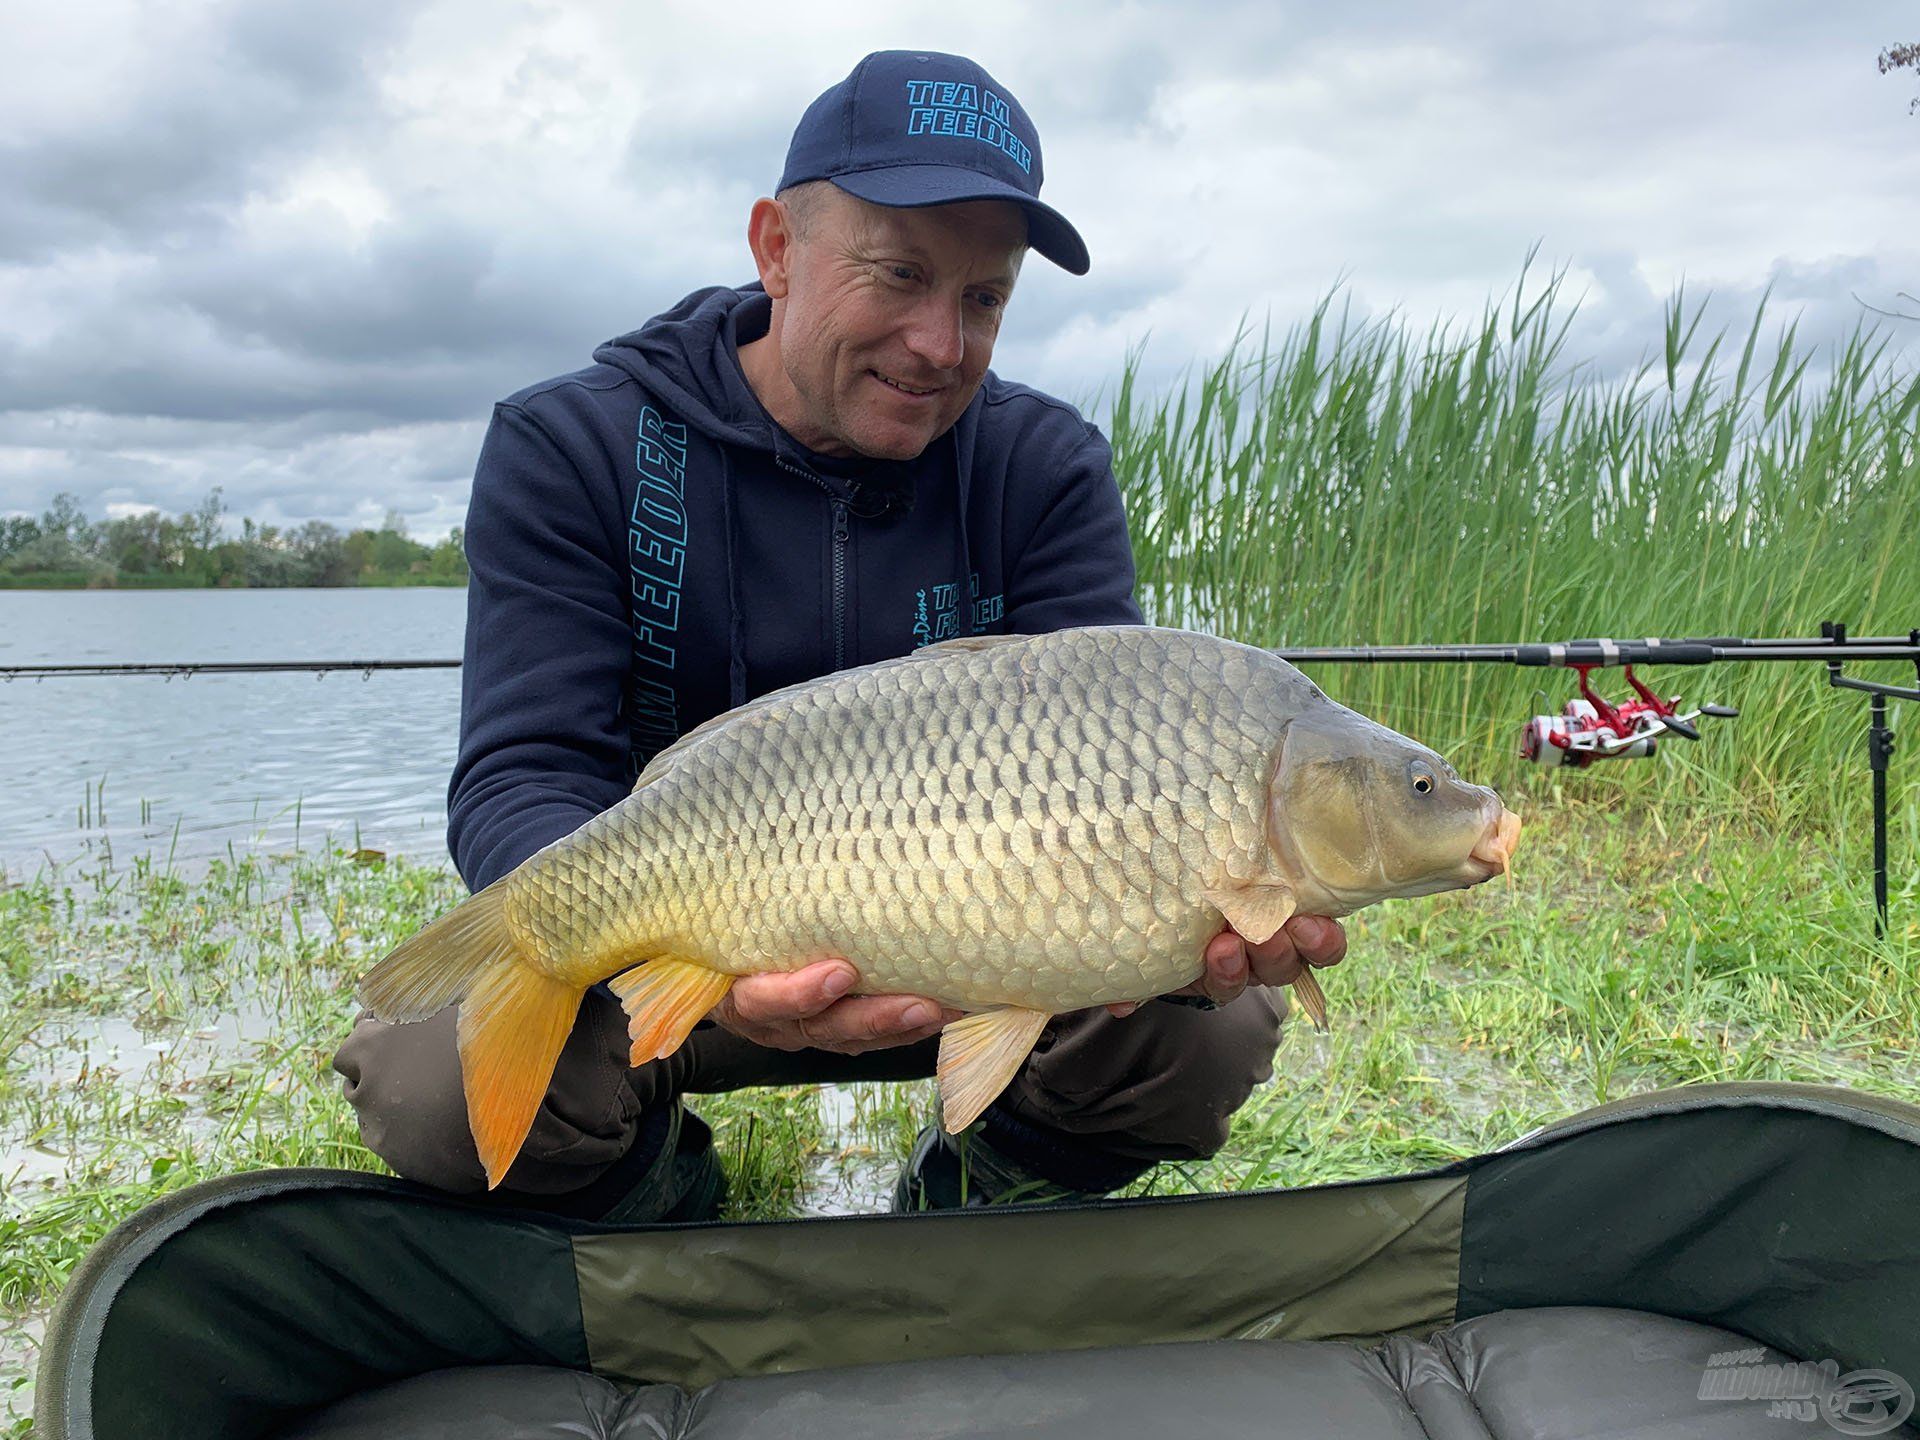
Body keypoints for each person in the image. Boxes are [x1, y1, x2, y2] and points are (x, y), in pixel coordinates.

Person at [333, 50, 1346, 1220]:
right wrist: (702, 981)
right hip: (679, 967)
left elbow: (1117, 755)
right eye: (898, 275)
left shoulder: (1043, 466)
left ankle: (988, 1182)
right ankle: (662, 1202)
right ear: (776, 249)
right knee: (429, 1081)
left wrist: (1194, 929)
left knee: (1208, 1027)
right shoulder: (574, 445)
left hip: (988, 961)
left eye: (983, 298)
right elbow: (523, 774)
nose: (939, 343)